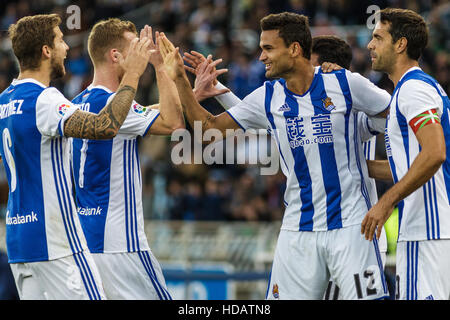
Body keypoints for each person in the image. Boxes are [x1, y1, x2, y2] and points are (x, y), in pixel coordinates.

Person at [159, 12, 390, 299]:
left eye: (268, 48)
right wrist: (181, 80)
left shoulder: (346, 84)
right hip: (298, 230)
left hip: (352, 227)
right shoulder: (268, 97)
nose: (261, 57)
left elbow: (398, 117)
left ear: (294, 49)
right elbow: (210, 127)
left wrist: (393, 173)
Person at [0, 14, 151, 299]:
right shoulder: (44, 99)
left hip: (19, 243)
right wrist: (133, 74)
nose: (66, 48)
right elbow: (104, 126)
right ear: (46, 50)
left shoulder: (4, 101)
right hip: (56, 242)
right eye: (59, 40)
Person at [70, 19, 183, 300]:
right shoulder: (113, 103)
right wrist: (160, 66)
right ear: (116, 56)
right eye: (137, 48)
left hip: (87, 242)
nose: (143, 54)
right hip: (122, 244)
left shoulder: (79, 102)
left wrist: (191, 97)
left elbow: (139, 112)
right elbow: (173, 123)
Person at [361, 8, 450, 300]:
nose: (370, 45)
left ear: (400, 44)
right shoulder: (416, 88)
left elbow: (435, 153)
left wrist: (387, 201)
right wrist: (360, 166)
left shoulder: (413, 90)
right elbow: (411, 165)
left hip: (427, 229)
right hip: (433, 230)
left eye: (378, 37)